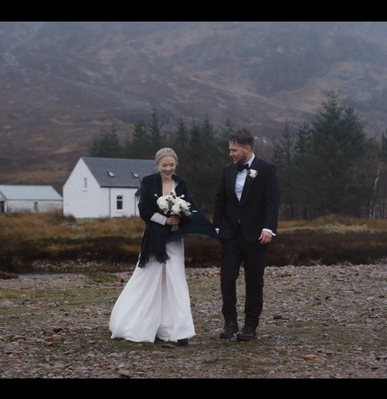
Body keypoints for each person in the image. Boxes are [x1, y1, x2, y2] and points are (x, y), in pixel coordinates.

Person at [109, 147, 216, 346]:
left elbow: (188, 206)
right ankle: (134, 324)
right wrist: (163, 220)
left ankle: (178, 330)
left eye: (171, 165)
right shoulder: (149, 182)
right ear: (158, 165)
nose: (168, 169)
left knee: (176, 280)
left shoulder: (181, 183)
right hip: (155, 239)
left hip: (175, 240)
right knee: (147, 278)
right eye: (164, 165)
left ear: (176, 165)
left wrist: (182, 218)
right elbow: (143, 210)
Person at [213, 128, 280, 341]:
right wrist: (217, 227)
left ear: (247, 148)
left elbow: (272, 202)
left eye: (234, 150)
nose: (230, 153)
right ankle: (230, 322)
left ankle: (250, 325)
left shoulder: (267, 169)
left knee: (254, 281)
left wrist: (269, 228)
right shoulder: (227, 170)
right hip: (231, 234)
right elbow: (219, 199)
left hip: (256, 236)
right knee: (226, 278)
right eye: (229, 149)